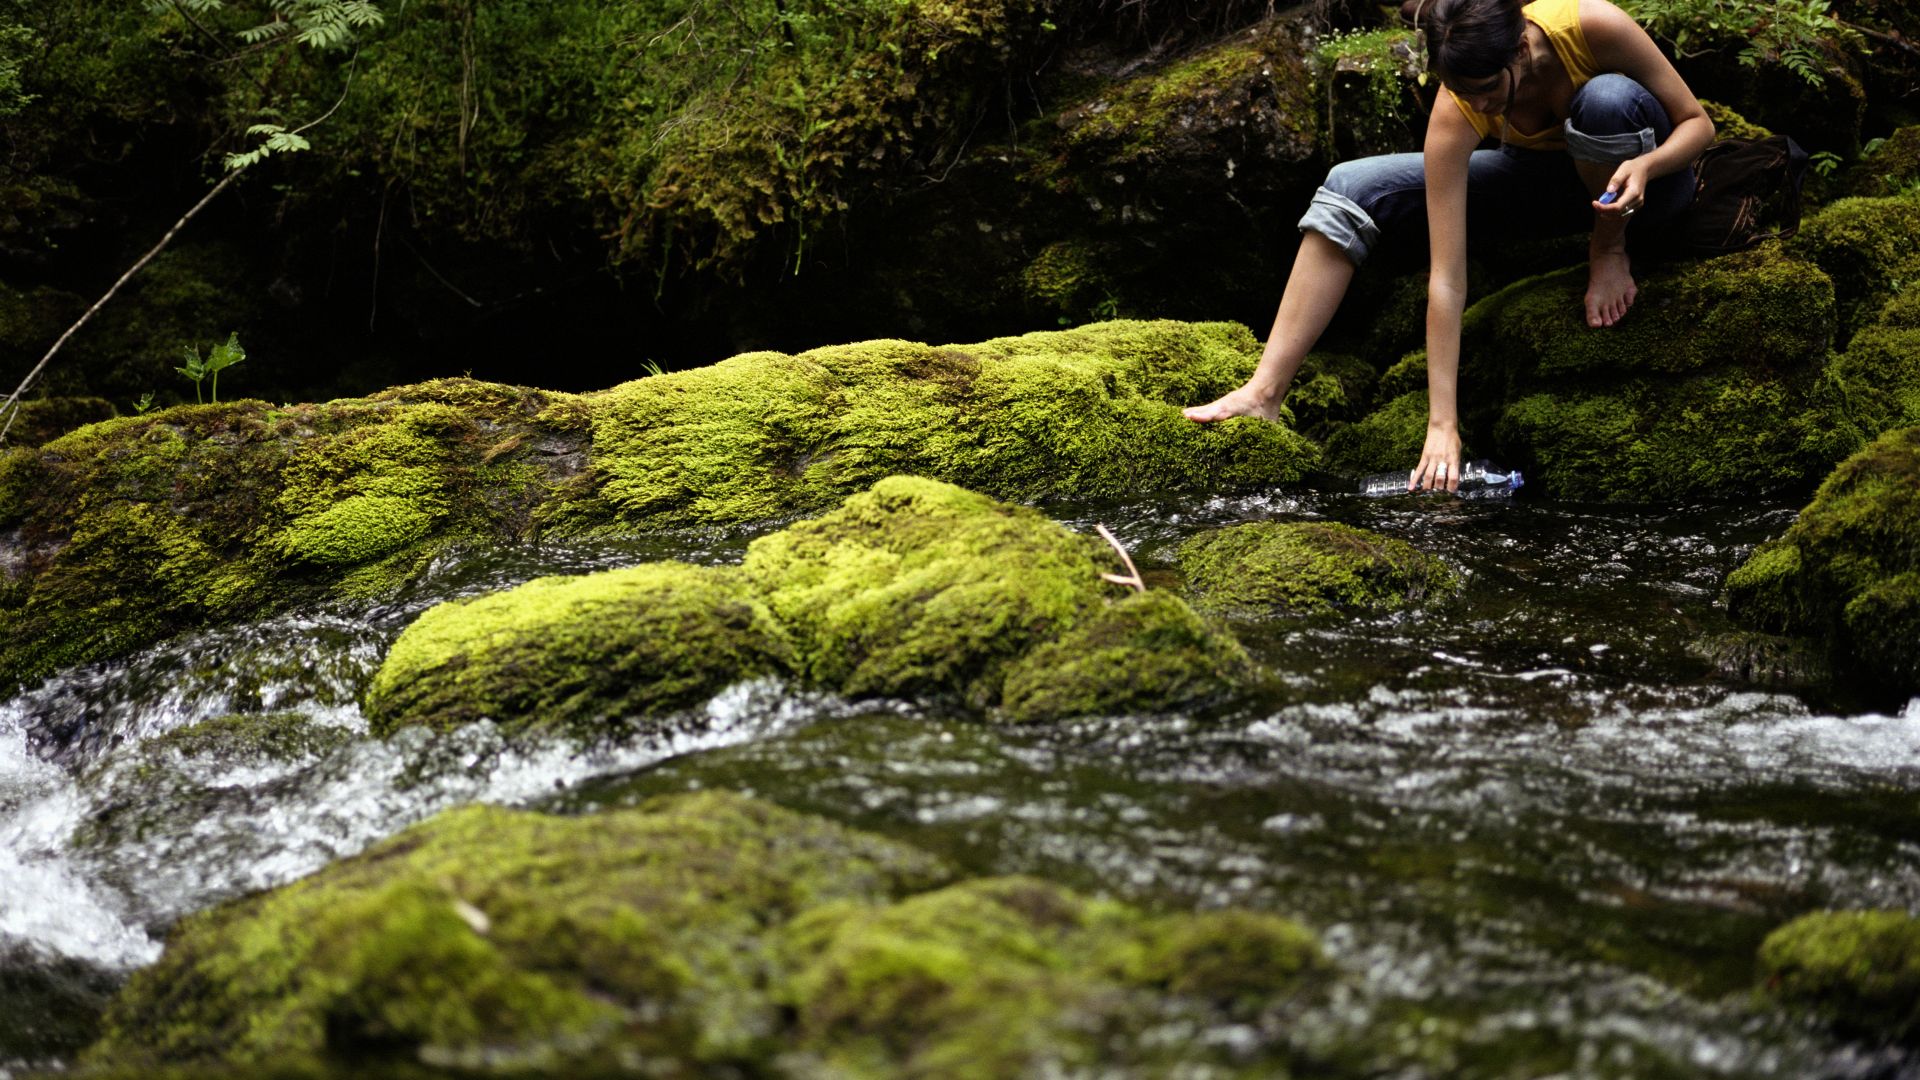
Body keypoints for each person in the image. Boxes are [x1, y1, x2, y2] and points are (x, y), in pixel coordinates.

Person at [1183, 0, 1712, 492]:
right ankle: (1265, 392)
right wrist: (1442, 424)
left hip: (1645, 186)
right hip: (1546, 190)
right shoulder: (1459, 99)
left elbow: (1698, 125)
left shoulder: (1591, 26)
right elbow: (1447, 277)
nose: (1478, 104)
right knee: (1350, 185)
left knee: (1607, 99)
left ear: (1521, 51)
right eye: (1465, 92)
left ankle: (1608, 251)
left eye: (1487, 90)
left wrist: (1645, 167)